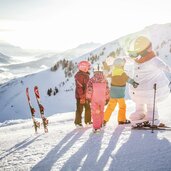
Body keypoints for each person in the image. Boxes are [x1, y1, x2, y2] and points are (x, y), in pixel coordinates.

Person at [128, 36, 171, 126]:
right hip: (138, 87)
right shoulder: (137, 59)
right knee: (139, 100)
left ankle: (152, 114)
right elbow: (127, 58)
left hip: (150, 87)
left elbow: (165, 67)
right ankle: (140, 112)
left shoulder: (153, 59)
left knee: (150, 100)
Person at [103, 58, 139, 126]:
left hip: (113, 93)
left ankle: (104, 120)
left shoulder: (113, 72)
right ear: (121, 65)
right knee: (122, 106)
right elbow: (128, 79)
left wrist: (105, 67)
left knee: (110, 107)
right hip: (119, 94)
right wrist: (134, 83)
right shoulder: (122, 73)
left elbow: (107, 75)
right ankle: (121, 120)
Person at [86, 64, 110, 132]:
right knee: (101, 111)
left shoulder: (92, 80)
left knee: (95, 112)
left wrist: (88, 98)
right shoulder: (105, 79)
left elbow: (89, 90)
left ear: (94, 71)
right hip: (102, 99)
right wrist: (107, 98)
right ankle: (101, 124)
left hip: (94, 98)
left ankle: (96, 127)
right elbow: (107, 90)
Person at [74, 61, 92, 127]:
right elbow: (79, 87)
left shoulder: (85, 75)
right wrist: (82, 97)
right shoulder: (80, 76)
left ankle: (88, 121)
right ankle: (77, 122)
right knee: (79, 109)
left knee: (88, 108)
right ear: (84, 68)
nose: (89, 68)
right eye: (88, 67)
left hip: (85, 96)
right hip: (80, 96)